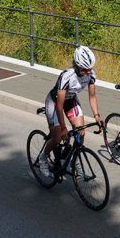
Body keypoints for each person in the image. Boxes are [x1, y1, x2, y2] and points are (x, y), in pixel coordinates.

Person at [39, 45, 102, 174]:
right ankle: (43, 157)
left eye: (90, 69)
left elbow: (92, 96)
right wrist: (63, 128)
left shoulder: (90, 74)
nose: (88, 72)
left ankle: (74, 159)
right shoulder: (67, 76)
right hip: (55, 102)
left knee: (81, 132)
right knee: (57, 138)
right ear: (77, 66)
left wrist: (96, 116)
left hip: (71, 99)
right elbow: (59, 106)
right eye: (85, 70)